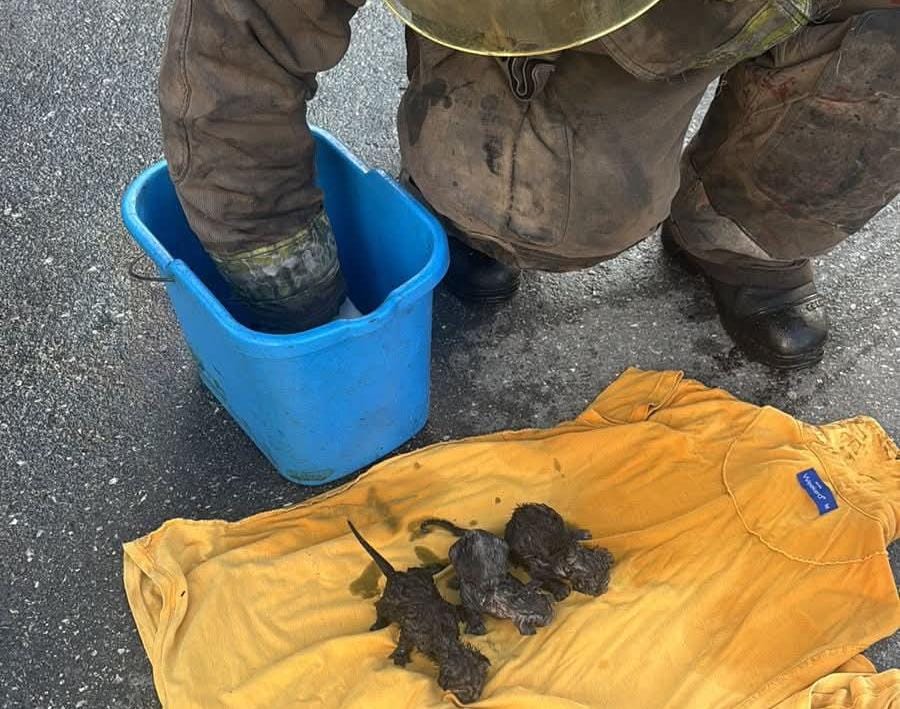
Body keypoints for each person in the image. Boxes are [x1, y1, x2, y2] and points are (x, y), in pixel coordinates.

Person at [158, 0, 899, 369]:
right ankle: (474, 218)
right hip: (584, 21)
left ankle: (738, 236)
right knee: (547, 210)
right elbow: (234, 49)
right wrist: (291, 283)